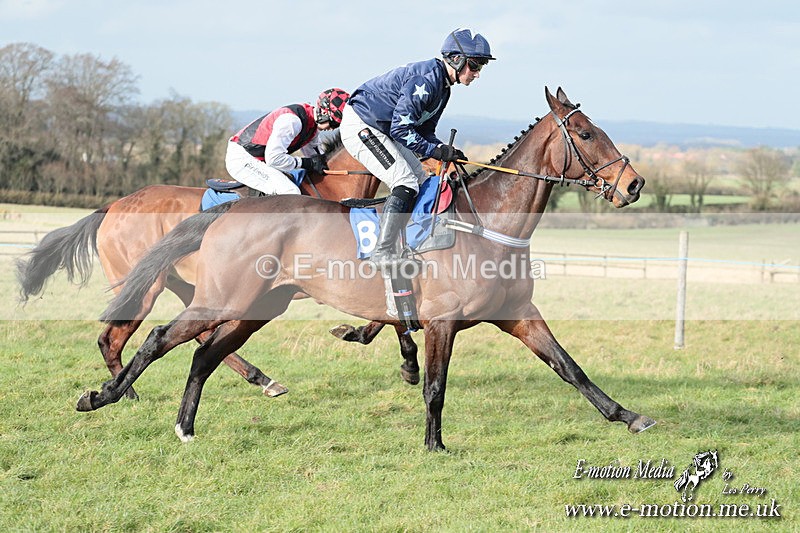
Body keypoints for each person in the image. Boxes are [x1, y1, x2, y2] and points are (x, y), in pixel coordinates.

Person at [340, 28, 494, 266]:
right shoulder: (426, 81)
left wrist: (444, 150)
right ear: (456, 59)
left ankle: (408, 242)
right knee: (404, 182)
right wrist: (435, 151)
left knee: (422, 181)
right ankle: (382, 251)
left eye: (481, 66)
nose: (477, 73)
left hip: (383, 129)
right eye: (474, 65)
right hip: (363, 125)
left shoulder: (443, 88)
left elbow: (424, 132)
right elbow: (401, 130)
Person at [225, 88, 350, 195]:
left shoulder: (312, 127)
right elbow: (274, 159)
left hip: (260, 159)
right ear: (324, 112)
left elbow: (316, 158)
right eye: (334, 123)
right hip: (243, 159)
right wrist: (306, 163)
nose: (333, 128)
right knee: (290, 191)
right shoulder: (292, 122)